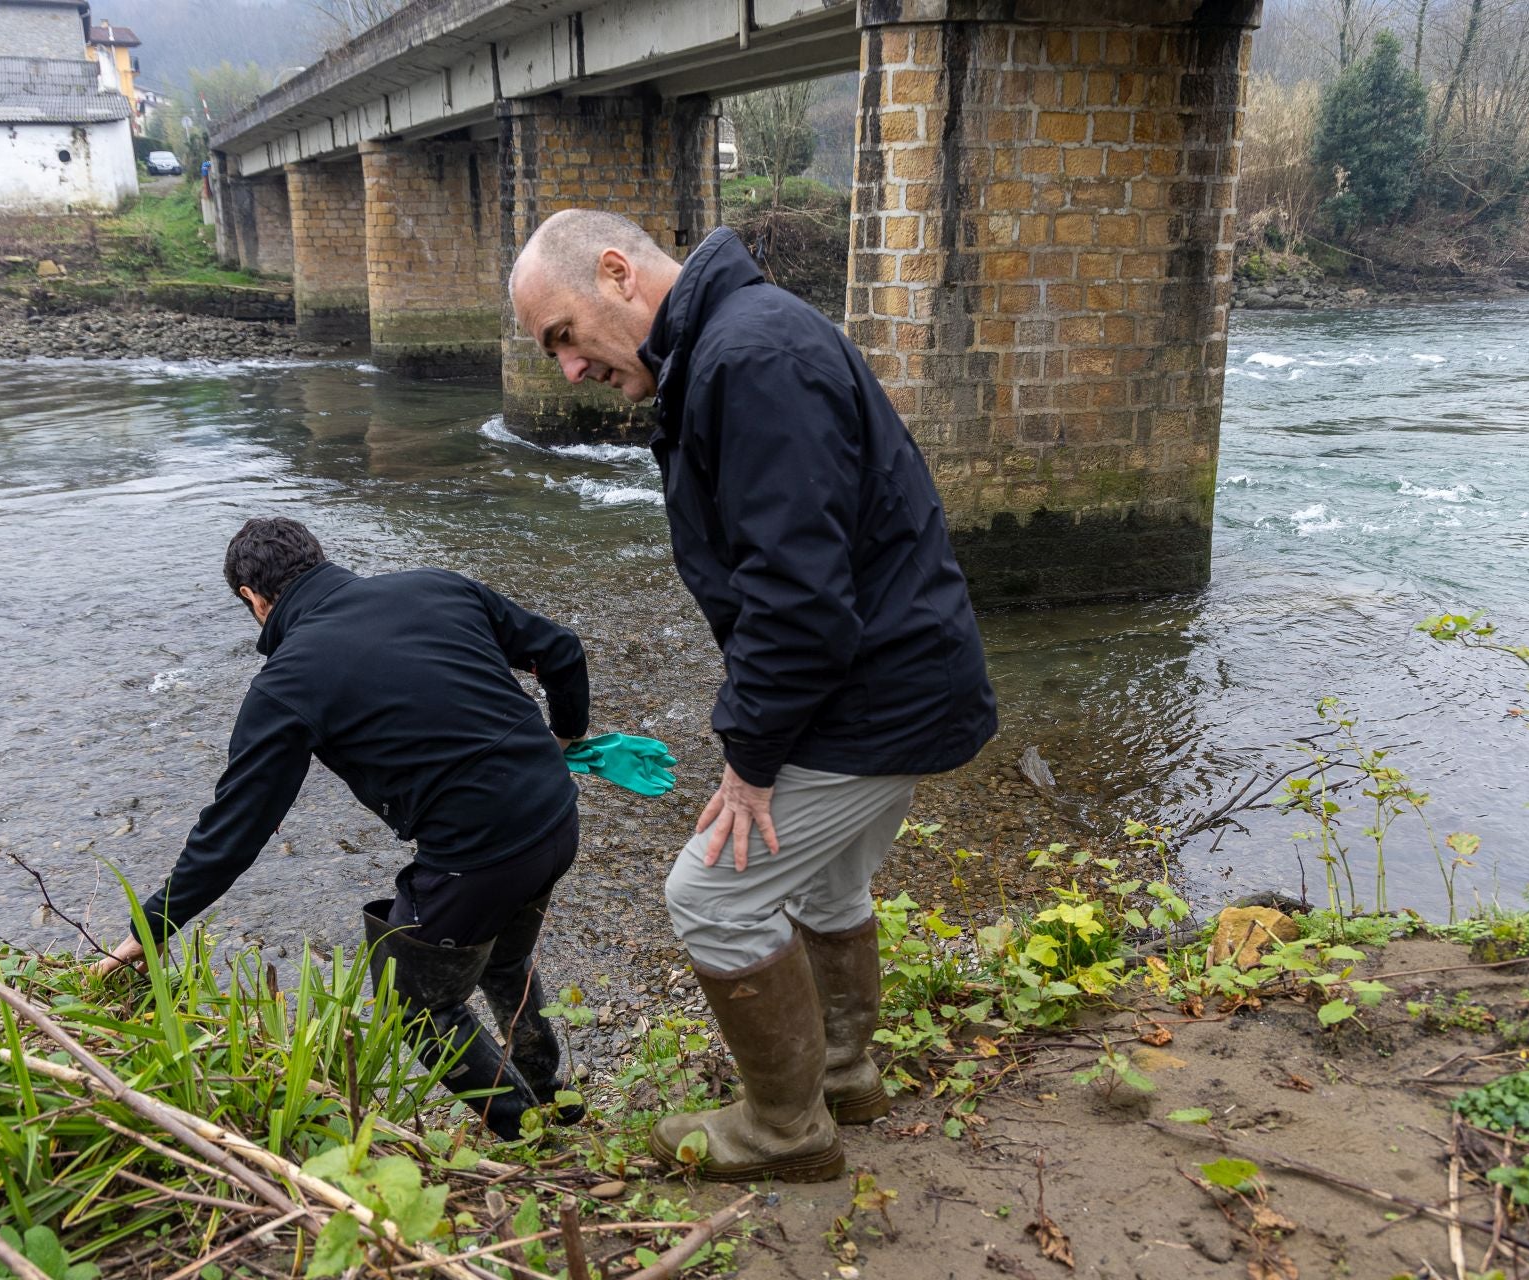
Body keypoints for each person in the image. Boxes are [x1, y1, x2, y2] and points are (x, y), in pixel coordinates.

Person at [508, 211, 998, 1182]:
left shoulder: (749, 356)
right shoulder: (732, 346)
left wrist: (749, 761)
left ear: (616, 273)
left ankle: (784, 1126)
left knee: (712, 894)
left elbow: (800, 597)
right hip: (896, 680)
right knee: (822, 882)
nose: (567, 369)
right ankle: (846, 1074)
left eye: (562, 335)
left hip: (872, 694)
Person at [94, 517, 590, 1140]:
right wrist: (563, 738)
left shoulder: (287, 681)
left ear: (253, 597)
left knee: (412, 1003)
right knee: (504, 960)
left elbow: (236, 830)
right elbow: (562, 650)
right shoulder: (435, 587)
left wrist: (154, 923)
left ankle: (533, 1131)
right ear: (317, 559)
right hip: (555, 813)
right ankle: (557, 1099)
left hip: (478, 857)